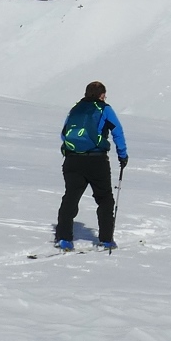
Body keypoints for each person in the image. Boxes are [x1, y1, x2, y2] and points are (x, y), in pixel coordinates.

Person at [55, 80, 128, 249]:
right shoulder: (105, 109)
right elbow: (118, 132)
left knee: (70, 198)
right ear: (101, 95)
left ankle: (64, 238)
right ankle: (106, 239)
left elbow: (64, 133)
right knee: (104, 199)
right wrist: (122, 156)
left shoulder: (75, 109)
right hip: (96, 161)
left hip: (72, 160)